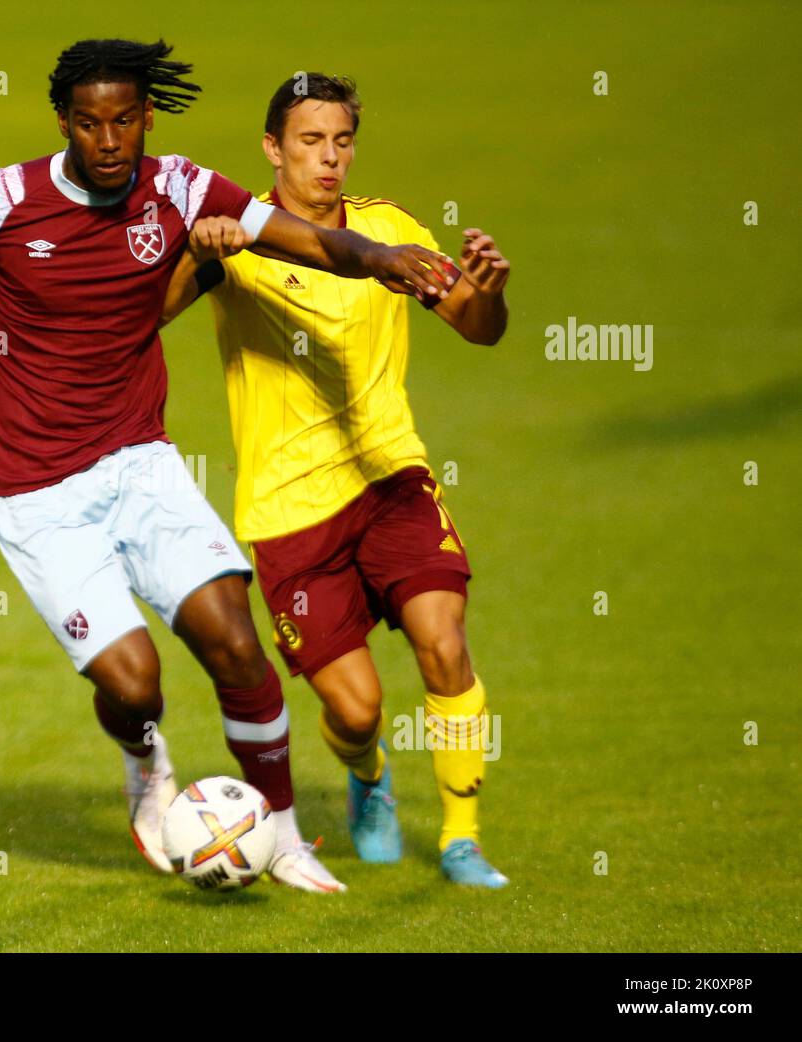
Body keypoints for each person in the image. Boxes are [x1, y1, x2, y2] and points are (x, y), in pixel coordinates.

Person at [0, 41, 453, 893]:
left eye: (124, 119)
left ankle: (283, 836)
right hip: (37, 492)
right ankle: (143, 758)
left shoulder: (181, 187)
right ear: (64, 123)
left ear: (147, 117)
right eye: (90, 123)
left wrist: (381, 259)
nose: (109, 139)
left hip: (140, 465)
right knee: (137, 685)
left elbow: (301, 238)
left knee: (237, 645)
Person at [160, 73, 511, 886]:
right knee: (353, 710)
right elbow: (148, 316)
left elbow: (477, 328)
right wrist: (197, 255)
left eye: (341, 141)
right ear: (272, 149)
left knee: (445, 645)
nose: (329, 159)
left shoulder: (389, 230)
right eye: (310, 142)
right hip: (289, 512)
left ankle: (462, 840)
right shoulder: (241, 238)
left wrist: (490, 296)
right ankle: (368, 775)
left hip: (391, 479)